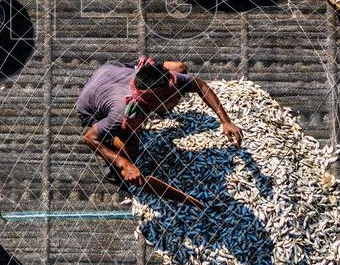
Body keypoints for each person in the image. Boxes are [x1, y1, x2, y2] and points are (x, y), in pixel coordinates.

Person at [76, 57, 243, 187]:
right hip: (90, 103)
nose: (179, 97)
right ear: (152, 101)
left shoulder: (168, 80)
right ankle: (117, 151)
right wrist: (123, 163)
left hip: (111, 70)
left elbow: (200, 86)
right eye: (173, 97)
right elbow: (90, 138)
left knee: (180, 67)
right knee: (131, 147)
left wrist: (225, 121)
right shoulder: (123, 113)